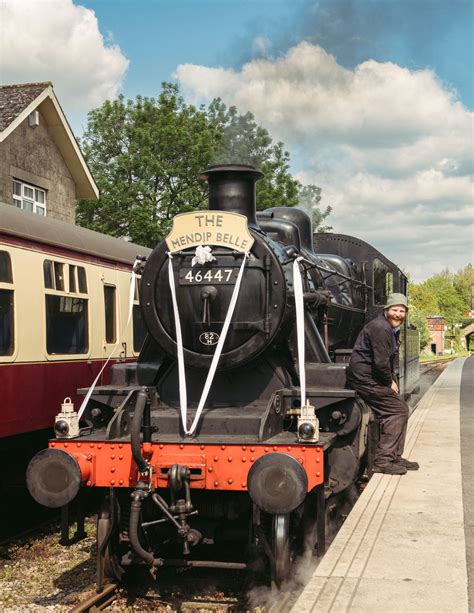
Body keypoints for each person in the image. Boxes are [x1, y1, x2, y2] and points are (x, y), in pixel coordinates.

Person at [347, 293, 419, 475]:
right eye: (395, 310)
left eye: (402, 311)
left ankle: (393, 456)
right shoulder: (381, 328)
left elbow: (388, 358)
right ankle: (383, 460)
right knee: (397, 411)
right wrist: (388, 382)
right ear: (386, 310)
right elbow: (380, 362)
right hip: (366, 379)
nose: (398, 314)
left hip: (371, 378)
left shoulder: (388, 327)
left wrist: (392, 380)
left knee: (400, 408)